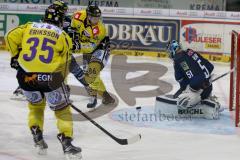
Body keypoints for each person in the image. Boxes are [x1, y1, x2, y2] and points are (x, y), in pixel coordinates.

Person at [5, 4, 82, 160]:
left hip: (26, 77)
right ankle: (67, 143)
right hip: (50, 79)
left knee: (35, 107)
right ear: (60, 19)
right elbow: (65, 63)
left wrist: (15, 57)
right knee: (62, 110)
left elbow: (9, 36)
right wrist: (63, 84)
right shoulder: (62, 35)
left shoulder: (29, 26)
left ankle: (37, 133)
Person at [66, 5, 115, 108]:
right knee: (90, 76)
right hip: (86, 47)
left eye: (98, 18)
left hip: (101, 48)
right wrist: (73, 37)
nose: (96, 20)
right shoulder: (77, 16)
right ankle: (106, 97)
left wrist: (76, 46)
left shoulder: (100, 29)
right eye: (94, 18)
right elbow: (72, 28)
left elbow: (90, 48)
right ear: (88, 16)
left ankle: (93, 96)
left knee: (92, 71)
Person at [166, 40, 221, 119]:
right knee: (196, 83)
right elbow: (210, 66)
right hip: (208, 87)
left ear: (173, 50)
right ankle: (207, 100)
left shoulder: (177, 60)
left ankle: (196, 103)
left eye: (169, 51)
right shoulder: (190, 52)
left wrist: (179, 95)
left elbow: (182, 82)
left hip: (197, 89)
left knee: (178, 99)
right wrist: (203, 80)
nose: (169, 53)